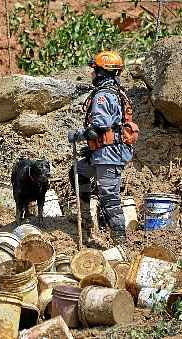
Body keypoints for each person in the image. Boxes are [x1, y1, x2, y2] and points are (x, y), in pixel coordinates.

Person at [68, 50, 135, 246]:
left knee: (110, 199)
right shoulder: (116, 92)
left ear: (102, 72)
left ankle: (121, 245)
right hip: (103, 153)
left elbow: (98, 129)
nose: (92, 74)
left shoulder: (103, 96)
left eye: (95, 70)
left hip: (109, 156)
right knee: (78, 171)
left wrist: (77, 135)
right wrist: (92, 149)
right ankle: (87, 219)